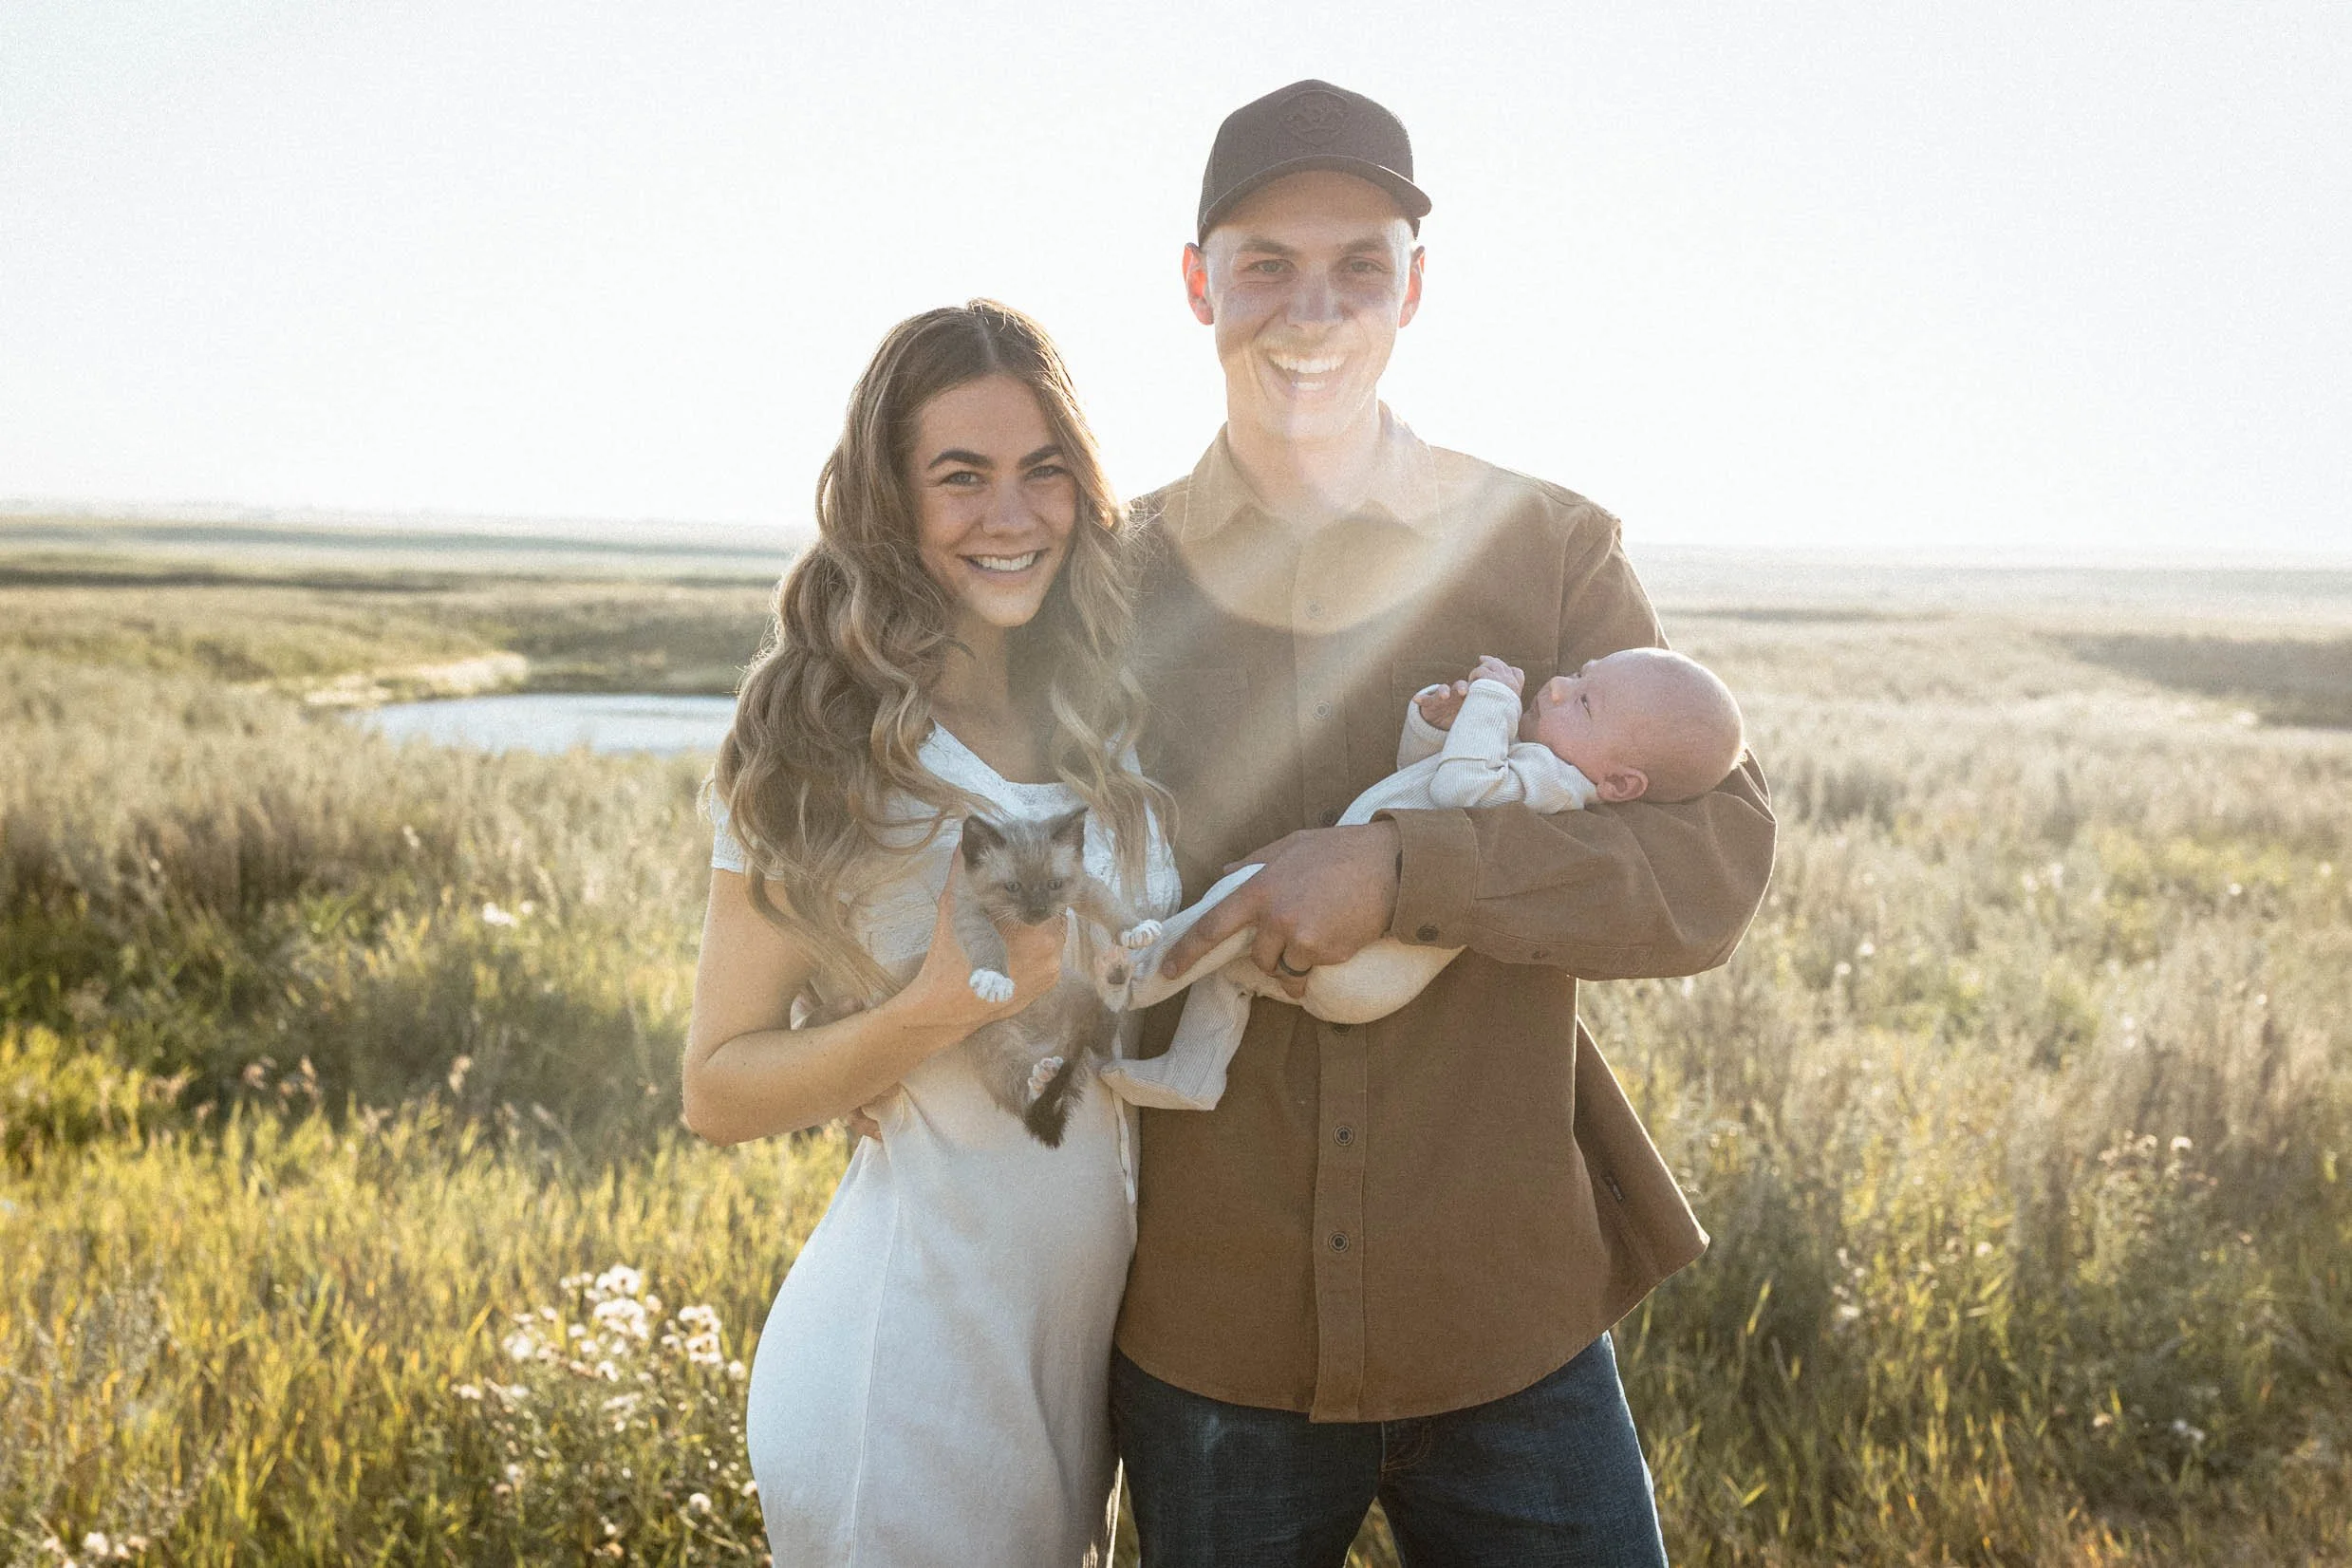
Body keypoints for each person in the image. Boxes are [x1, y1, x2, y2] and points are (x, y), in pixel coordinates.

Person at [1108, 81, 1780, 1564]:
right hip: (1211, 1332)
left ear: (1415, 287)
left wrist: (1408, 868)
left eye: (1360, 265)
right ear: (1195, 283)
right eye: (1266, 263)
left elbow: (1709, 866)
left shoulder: (1547, 549)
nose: (1312, 307)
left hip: (1507, 1321)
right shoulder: (1106, 579)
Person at [683, 300, 1179, 1567]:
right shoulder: (819, 750)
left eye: (1041, 473)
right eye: (960, 478)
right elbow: (718, 1088)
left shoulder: (1104, 714)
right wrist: (927, 1012)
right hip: (902, 1381)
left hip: (1075, 1382)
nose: (1009, 517)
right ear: (886, 501)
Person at [1103, 647, 1746, 1111]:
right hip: (1363, 977)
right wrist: (1434, 725)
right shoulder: (1536, 765)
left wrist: (1493, 698)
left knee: (1240, 901)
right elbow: (1416, 783)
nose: (1553, 689)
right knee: (1237, 975)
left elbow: (1459, 784)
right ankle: (1194, 1072)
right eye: (1575, 675)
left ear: (1620, 784)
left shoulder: (1553, 788)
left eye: (1583, 700)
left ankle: (1128, 978)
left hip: (1369, 965)